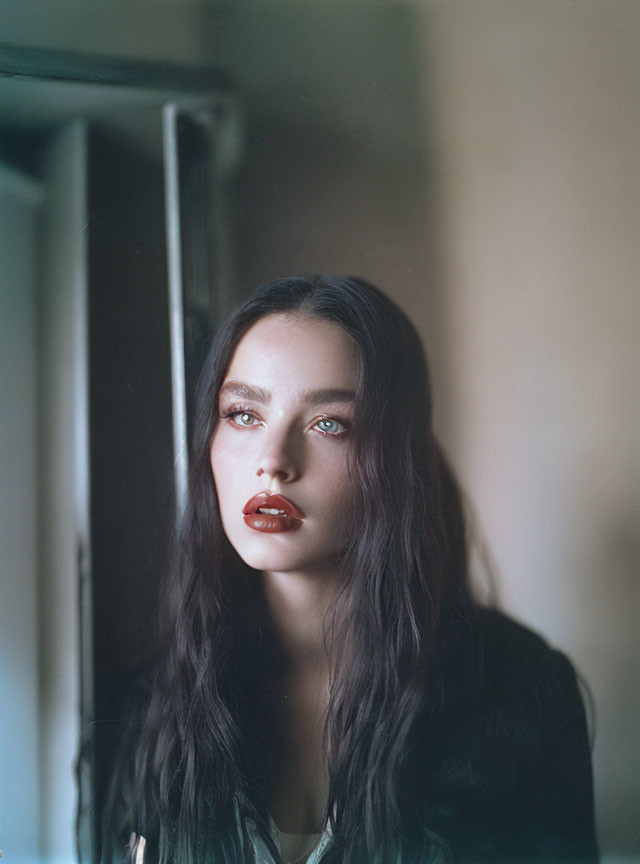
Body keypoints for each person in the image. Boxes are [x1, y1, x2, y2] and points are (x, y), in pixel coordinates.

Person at [102, 274, 598, 864]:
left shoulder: (522, 694)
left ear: (394, 460)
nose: (273, 463)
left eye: (329, 424)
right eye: (243, 414)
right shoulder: (147, 711)